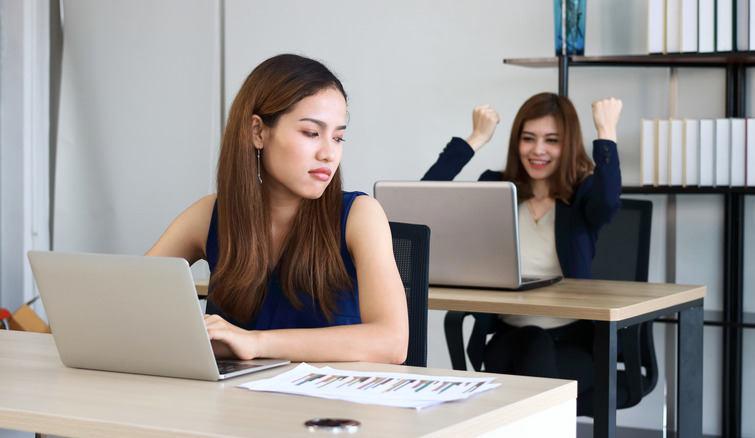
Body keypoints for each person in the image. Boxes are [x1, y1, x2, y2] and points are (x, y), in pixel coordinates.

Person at [146, 54, 409, 364]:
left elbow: (391, 343)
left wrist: (255, 343)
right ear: (258, 132)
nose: (329, 153)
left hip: (331, 404)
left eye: (338, 137)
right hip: (235, 402)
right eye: (312, 133)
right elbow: (129, 297)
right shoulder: (210, 214)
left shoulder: (360, 215)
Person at [422, 92, 623, 400]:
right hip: (508, 339)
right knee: (530, 345)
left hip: (570, 345)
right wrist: (476, 138)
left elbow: (609, 202)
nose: (538, 150)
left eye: (552, 140)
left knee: (534, 353)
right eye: (528, 138)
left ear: (567, 144)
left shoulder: (584, 195)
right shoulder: (497, 188)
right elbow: (426, 199)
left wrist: (606, 131)